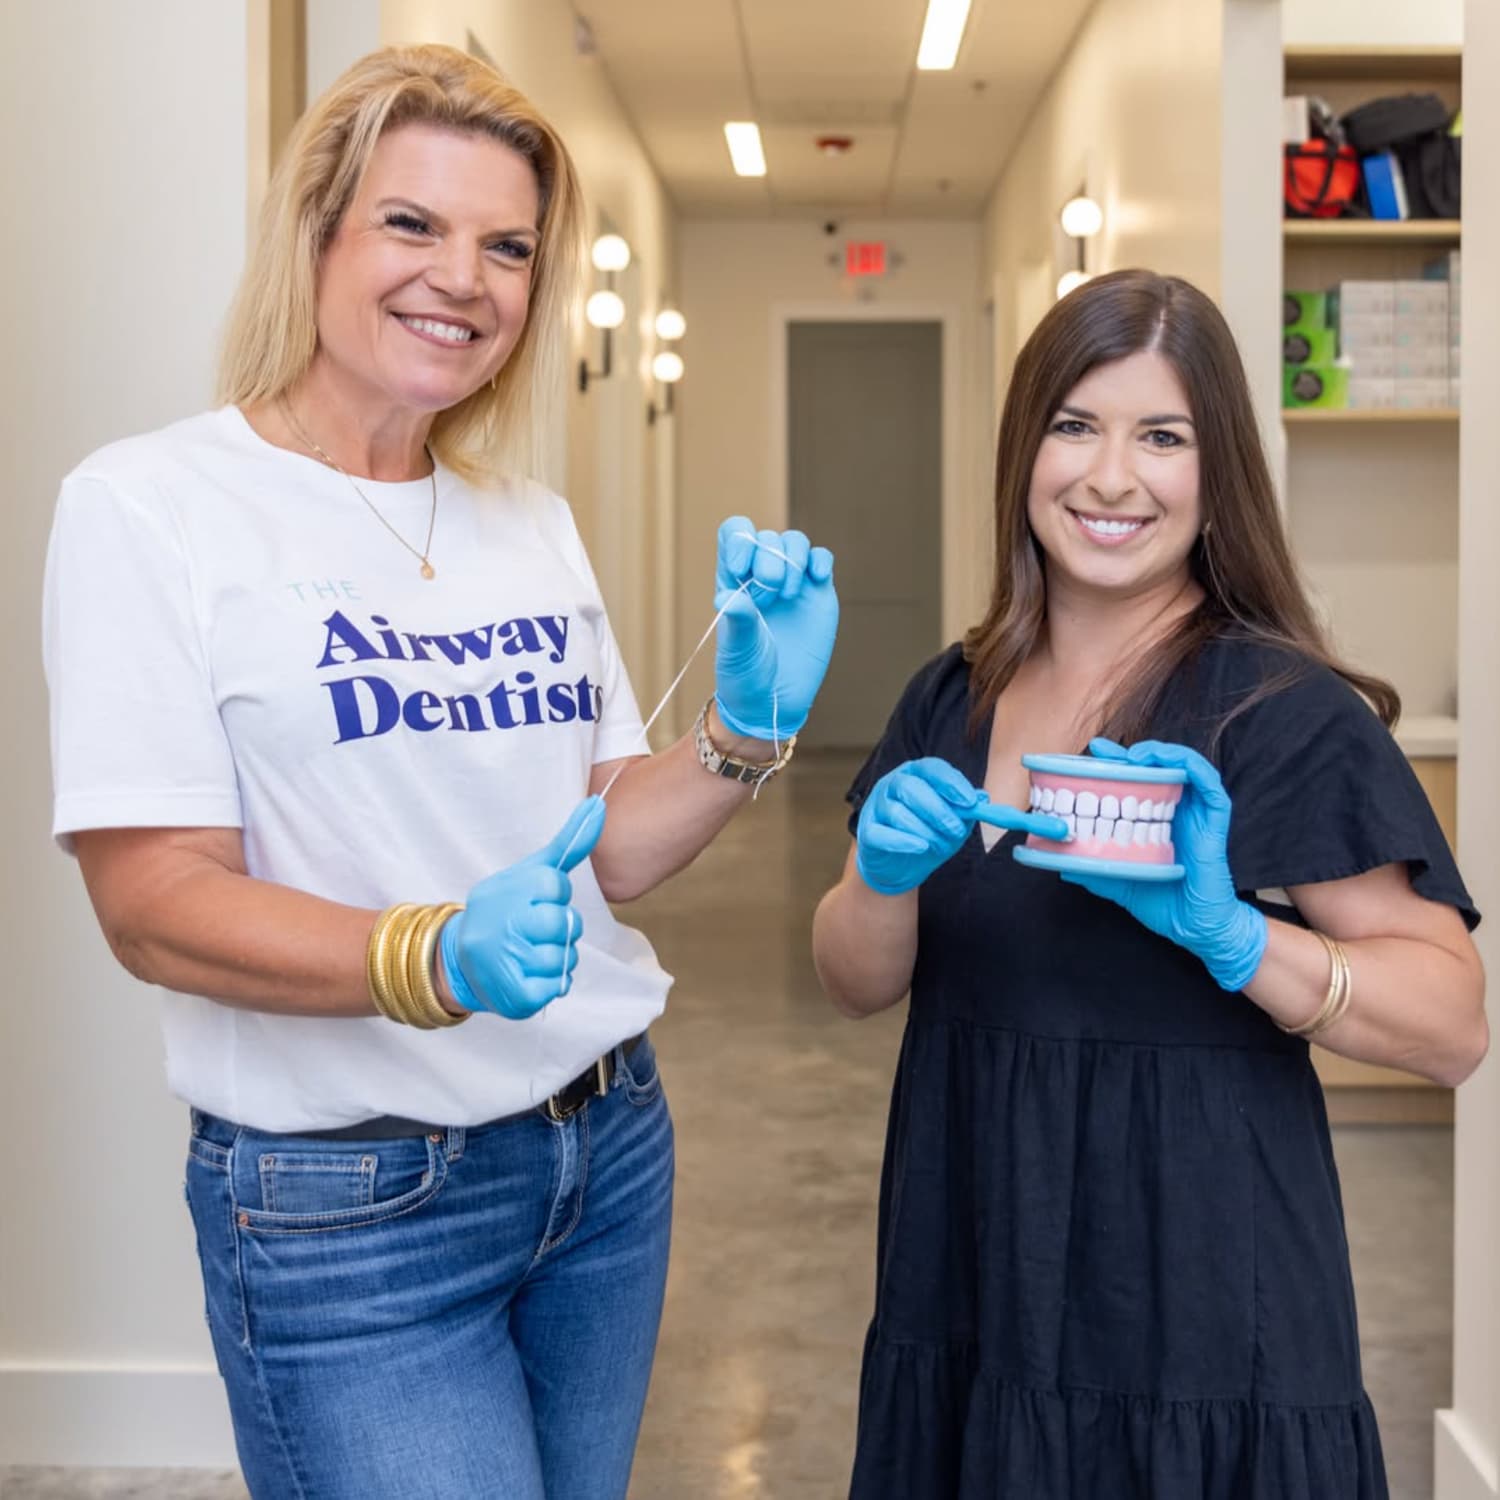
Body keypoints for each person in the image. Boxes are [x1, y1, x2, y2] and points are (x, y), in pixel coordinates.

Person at [42, 45, 836, 1500]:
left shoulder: (521, 519)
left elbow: (608, 849)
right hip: (350, 1204)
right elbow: (151, 901)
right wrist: (430, 956)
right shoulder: (151, 508)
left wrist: (740, 733)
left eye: (507, 246)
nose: (461, 279)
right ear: (318, 237)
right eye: (412, 225)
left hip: (602, 1153)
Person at [812, 268, 1485, 1499]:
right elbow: (855, 983)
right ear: (1026, 452)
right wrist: (878, 880)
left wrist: (1235, 938)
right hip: (975, 1268)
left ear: (1215, 472)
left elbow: (1451, 1026)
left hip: (1198, 1306)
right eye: (1076, 425)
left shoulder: (1286, 715)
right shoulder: (948, 696)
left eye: (1162, 437)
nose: (1111, 477)